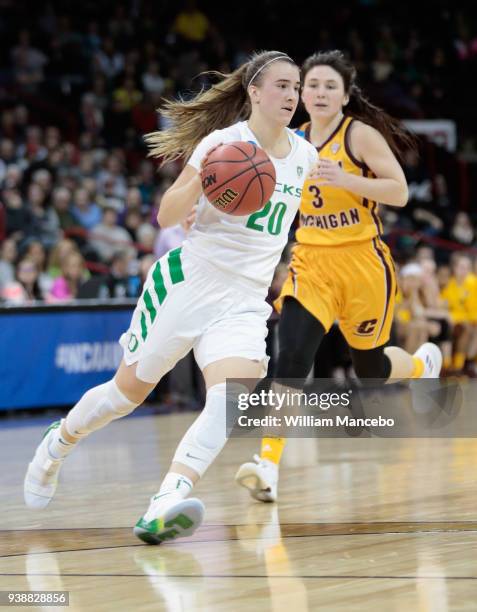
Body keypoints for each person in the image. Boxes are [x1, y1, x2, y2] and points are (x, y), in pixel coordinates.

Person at [23, 50, 318, 544]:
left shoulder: (305, 155)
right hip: (190, 281)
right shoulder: (223, 144)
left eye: (297, 87)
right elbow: (166, 215)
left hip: (245, 299)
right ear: (254, 92)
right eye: (283, 86)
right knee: (124, 396)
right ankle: (59, 443)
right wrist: (203, 186)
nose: (292, 95)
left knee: (230, 401)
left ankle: (166, 500)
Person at [235, 50, 443, 503]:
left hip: (363, 263)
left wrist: (347, 179)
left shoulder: (360, 136)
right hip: (310, 262)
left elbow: (400, 192)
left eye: (330, 86)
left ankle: (422, 364)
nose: (319, 92)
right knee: (290, 358)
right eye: (312, 85)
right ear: (301, 93)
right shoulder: (290, 140)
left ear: (345, 95)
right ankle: (267, 465)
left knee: (371, 370)